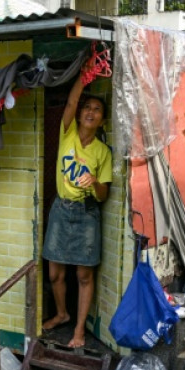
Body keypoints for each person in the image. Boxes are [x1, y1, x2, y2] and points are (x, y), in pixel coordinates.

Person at [41, 65, 113, 348]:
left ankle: (79, 330)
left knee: (84, 274)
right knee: (55, 272)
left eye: (96, 110)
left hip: (86, 213)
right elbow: (71, 101)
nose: (90, 111)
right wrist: (85, 75)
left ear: (101, 121)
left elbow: (104, 195)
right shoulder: (67, 133)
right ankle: (61, 313)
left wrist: (94, 181)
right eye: (87, 107)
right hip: (61, 209)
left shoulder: (102, 152)